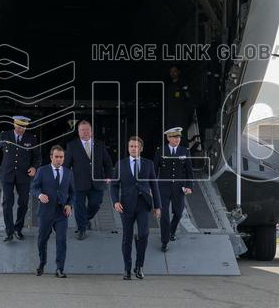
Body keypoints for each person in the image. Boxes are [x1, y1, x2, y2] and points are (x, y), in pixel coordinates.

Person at [111, 136, 161, 280]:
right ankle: (127, 269)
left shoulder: (149, 164)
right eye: (131, 146)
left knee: (144, 234)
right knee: (126, 238)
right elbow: (114, 186)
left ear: (141, 148)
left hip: (143, 205)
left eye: (136, 146)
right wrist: (115, 202)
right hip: (126, 206)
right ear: (128, 148)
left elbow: (154, 185)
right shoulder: (121, 164)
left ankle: (139, 267)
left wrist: (157, 206)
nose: (133, 148)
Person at [0, 115, 41, 242]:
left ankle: (18, 229)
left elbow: (37, 157)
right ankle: (9, 232)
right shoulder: (5, 136)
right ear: (14, 124)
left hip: (24, 176)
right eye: (18, 127)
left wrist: (34, 167)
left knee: (23, 203)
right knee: (7, 203)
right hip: (7, 174)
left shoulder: (32, 139)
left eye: (23, 128)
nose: (20, 130)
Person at [63, 120, 113, 240]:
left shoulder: (100, 144)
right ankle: (82, 229)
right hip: (78, 183)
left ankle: (85, 220)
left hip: (97, 183)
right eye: (82, 130)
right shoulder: (72, 145)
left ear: (91, 131)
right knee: (79, 207)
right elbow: (66, 166)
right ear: (78, 132)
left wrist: (108, 176)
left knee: (96, 204)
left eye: (87, 130)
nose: (85, 132)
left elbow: (108, 162)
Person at [30, 145, 74, 278]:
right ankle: (42, 263)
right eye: (56, 157)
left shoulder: (68, 173)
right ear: (51, 157)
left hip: (61, 213)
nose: (59, 159)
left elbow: (73, 193)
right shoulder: (42, 171)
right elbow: (34, 187)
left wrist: (69, 205)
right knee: (42, 240)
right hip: (45, 212)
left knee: (61, 240)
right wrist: (39, 195)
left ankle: (59, 269)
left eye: (61, 157)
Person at [154, 127, 194, 252]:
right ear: (168, 138)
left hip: (178, 188)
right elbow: (154, 170)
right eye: (174, 137)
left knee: (178, 212)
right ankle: (164, 241)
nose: (177, 139)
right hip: (163, 188)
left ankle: (171, 231)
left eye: (179, 137)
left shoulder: (184, 151)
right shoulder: (161, 151)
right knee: (164, 215)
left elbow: (189, 170)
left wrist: (189, 186)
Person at [164, 65, 196, 144]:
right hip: (170, 117)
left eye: (174, 71)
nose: (173, 73)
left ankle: (183, 153)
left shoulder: (183, 84)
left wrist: (187, 114)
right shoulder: (168, 86)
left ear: (178, 72)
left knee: (182, 136)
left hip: (181, 116)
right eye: (171, 72)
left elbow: (189, 99)